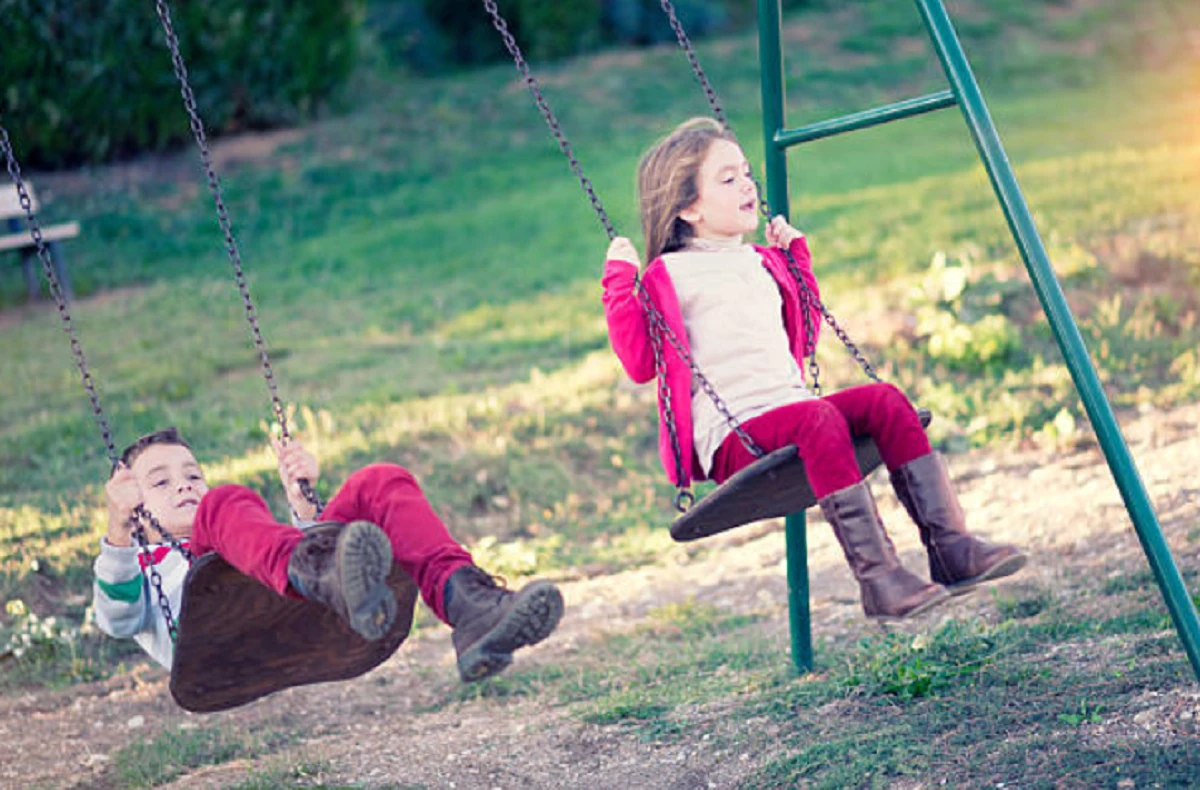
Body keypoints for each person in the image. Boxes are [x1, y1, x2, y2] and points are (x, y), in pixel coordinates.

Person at [601, 117, 1026, 621]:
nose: (747, 186)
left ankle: (951, 550)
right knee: (816, 418)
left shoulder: (759, 260)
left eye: (746, 173)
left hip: (792, 414)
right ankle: (880, 580)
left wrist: (795, 258)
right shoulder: (667, 275)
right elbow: (640, 364)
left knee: (885, 399)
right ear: (689, 208)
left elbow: (802, 334)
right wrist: (619, 282)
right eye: (727, 178)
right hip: (738, 440)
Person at [93, 427, 563, 681]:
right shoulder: (136, 564)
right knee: (229, 506)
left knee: (380, 481)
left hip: (309, 605)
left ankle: (471, 607)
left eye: (193, 475)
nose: (183, 485)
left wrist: (301, 503)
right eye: (159, 482)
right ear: (133, 502)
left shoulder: (233, 531)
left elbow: (269, 550)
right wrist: (118, 528)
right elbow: (116, 620)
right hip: (216, 654)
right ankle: (327, 572)